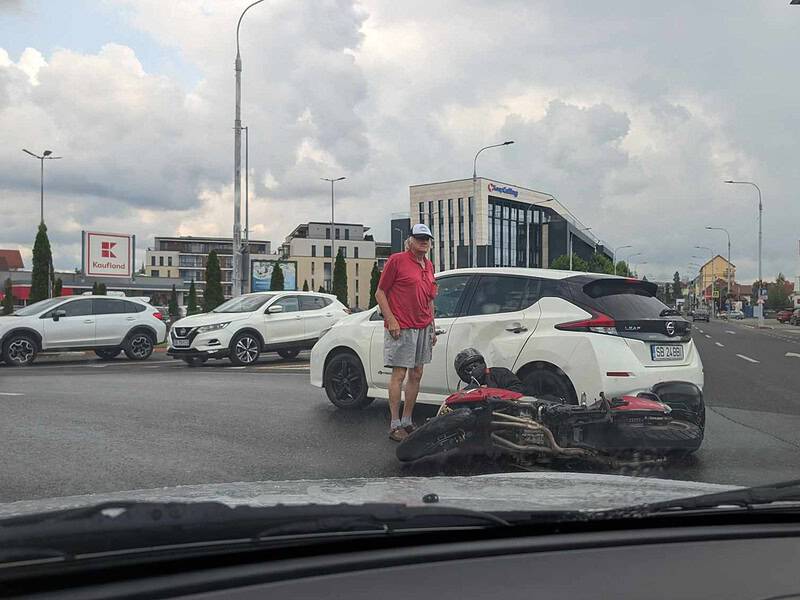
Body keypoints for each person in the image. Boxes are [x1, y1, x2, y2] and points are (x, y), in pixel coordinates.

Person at [375, 223, 438, 441]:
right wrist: (391, 320)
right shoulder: (397, 260)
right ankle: (394, 425)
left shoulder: (428, 266)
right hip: (401, 326)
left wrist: (432, 327)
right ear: (410, 240)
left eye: (427, 238)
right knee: (399, 374)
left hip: (423, 326)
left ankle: (407, 421)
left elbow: (430, 299)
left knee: (417, 373)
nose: (424, 241)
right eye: (419, 238)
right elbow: (380, 292)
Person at [453, 347, 526, 393]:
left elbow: (519, 388)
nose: (474, 369)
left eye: (476, 365)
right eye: (469, 368)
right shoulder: (467, 392)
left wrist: (498, 396)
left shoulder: (500, 374)